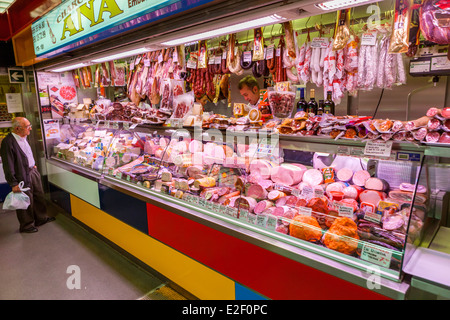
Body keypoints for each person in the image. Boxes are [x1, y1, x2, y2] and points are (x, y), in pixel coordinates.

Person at [1, 117, 54, 233]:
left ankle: (41, 218)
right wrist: (13, 183)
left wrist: (33, 165)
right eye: (27, 126)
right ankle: (26, 225)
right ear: (17, 128)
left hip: (32, 171)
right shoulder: (8, 142)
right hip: (21, 175)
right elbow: (8, 165)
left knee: (38, 195)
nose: (30, 128)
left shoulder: (24, 137)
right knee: (25, 200)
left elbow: (27, 154)